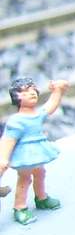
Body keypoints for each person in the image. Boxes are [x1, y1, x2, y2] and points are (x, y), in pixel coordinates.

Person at [0, 76, 68, 225]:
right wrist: (3, 158)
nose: (31, 93)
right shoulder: (16, 121)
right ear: (16, 97)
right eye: (25, 92)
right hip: (24, 155)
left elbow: (50, 106)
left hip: (38, 152)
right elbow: (8, 140)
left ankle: (41, 198)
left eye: (33, 90)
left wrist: (58, 91)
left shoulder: (36, 114)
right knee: (25, 179)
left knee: (40, 173)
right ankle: (20, 207)